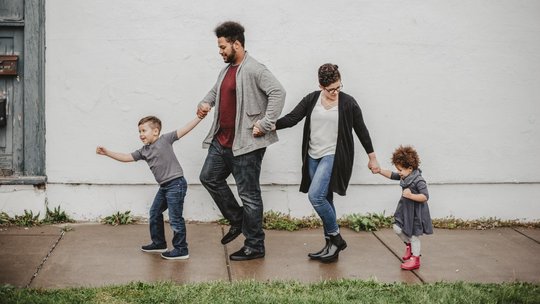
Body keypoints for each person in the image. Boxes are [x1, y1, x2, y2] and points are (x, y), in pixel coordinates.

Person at [255, 63, 380, 263]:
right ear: (321, 86)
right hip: (313, 156)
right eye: (331, 89)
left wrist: (372, 158)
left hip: (334, 155)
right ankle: (330, 247)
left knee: (316, 197)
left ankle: (336, 238)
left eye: (339, 87)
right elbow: (292, 118)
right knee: (326, 199)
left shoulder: (348, 103)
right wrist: (267, 126)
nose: (335, 92)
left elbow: (361, 130)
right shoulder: (312, 99)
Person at [197, 21, 286, 261]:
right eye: (219, 47)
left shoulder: (255, 69)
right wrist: (205, 103)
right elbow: (216, 91)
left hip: (246, 145)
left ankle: (255, 245)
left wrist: (265, 123)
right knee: (208, 178)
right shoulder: (226, 70)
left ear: (237, 44)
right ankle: (238, 220)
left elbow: (278, 92)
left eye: (223, 46)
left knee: (249, 195)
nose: (220, 51)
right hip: (222, 141)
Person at [96, 115, 202, 260]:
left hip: (176, 184)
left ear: (156, 131)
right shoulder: (144, 151)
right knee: (155, 212)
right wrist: (107, 153)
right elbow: (126, 157)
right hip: (164, 186)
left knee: (175, 218)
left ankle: (181, 249)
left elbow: (184, 129)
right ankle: (159, 243)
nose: (140, 135)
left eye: (143, 131)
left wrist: (199, 118)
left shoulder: (165, 139)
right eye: (139, 132)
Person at [373, 145, 433, 270]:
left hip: (416, 212)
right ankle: (408, 246)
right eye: (398, 169)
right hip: (405, 210)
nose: (399, 172)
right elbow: (391, 175)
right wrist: (379, 170)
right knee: (396, 228)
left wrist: (411, 195)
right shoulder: (404, 176)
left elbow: (425, 196)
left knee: (414, 236)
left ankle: (415, 259)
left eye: (400, 170)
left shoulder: (419, 180)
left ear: (410, 168)